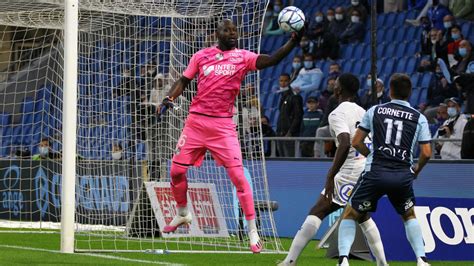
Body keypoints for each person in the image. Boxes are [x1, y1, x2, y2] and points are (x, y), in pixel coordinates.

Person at [158, 19, 303, 253]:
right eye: (227, 30)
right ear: (218, 33)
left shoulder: (243, 57)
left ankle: (253, 232)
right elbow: (183, 81)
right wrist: (169, 98)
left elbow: (271, 60)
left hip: (223, 127)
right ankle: (183, 213)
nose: (232, 33)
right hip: (196, 123)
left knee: (239, 178)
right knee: (176, 171)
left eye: (235, 30)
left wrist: (291, 43)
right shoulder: (201, 56)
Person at [279, 74, 388, 266]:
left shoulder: (337, 114)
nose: (333, 86)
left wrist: (331, 175)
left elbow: (345, 143)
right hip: (367, 169)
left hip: (349, 171)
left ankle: (290, 261)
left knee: (318, 210)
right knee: (362, 216)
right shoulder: (363, 111)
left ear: (339, 90)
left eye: (335, 84)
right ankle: (382, 262)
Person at [337, 73, 432, 266]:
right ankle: (421, 260)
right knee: (408, 215)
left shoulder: (375, 111)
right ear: (410, 93)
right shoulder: (419, 117)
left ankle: (343, 260)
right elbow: (427, 153)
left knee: (350, 214)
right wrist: (416, 170)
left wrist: (371, 154)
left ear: (390, 91)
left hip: (376, 173)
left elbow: (356, 142)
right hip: (402, 175)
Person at [277, 73, 304, 157]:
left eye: (285, 81)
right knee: (282, 158)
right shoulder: (282, 95)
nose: (283, 83)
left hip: (290, 134)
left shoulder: (295, 96)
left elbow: (298, 116)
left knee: (290, 158)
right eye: (281, 81)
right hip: (280, 133)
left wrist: (291, 132)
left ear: (289, 81)